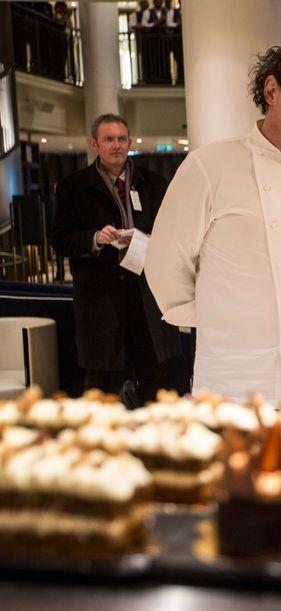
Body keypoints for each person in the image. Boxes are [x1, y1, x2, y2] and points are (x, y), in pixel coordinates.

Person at [146, 43, 281, 405]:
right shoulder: (209, 167)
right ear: (272, 90)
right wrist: (225, 320)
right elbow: (165, 265)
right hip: (238, 378)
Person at [50, 114, 182, 406]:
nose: (116, 145)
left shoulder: (154, 183)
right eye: (109, 139)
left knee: (155, 386)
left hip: (148, 298)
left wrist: (144, 238)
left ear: (130, 142)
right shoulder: (73, 187)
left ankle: (157, 446)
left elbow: (174, 233)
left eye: (122, 139)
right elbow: (60, 239)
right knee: (102, 391)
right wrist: (95, 238)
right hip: (102, 302)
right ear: (94, 143)